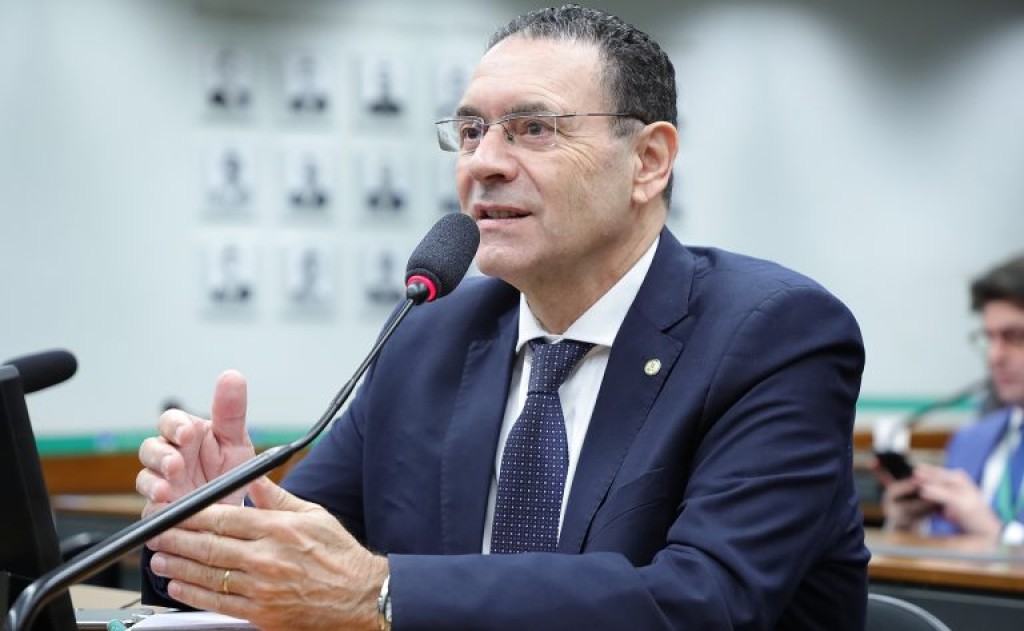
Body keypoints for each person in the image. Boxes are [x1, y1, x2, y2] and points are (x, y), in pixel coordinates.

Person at [136, 5, 868, 629]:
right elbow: (305, 564)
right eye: (470, 131)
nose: (483, 163)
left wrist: (380, 595)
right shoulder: (429, 337)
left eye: (533, 128)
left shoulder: (775, 335)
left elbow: (704, 603)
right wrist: (221, 524)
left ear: (648, 161)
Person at [880, 253, 1024, 543]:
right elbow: (948, 548)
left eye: (1014, 336)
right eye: (989, 338)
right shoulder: (969, 440)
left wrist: (997, 534)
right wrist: (912, 526)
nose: (994, 356)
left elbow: (986, 531)